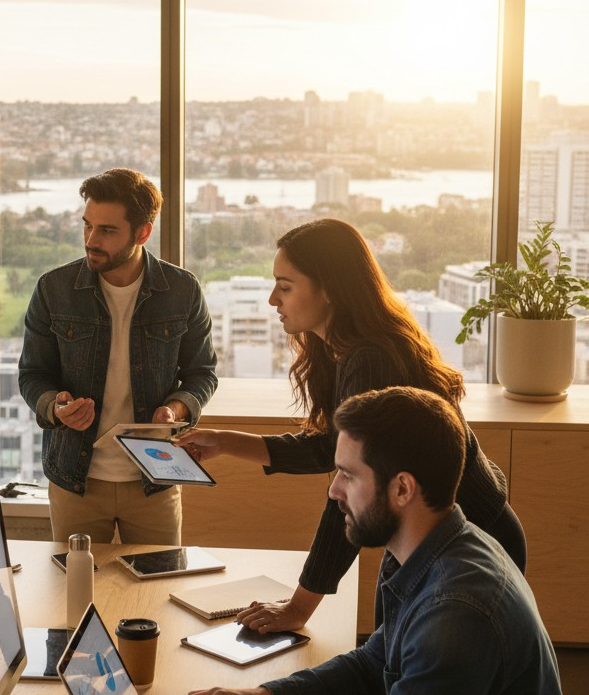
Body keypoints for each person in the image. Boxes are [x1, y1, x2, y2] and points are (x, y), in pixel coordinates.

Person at [172, 386, 588, 695]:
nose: (334, 490)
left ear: (402, 489)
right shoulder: (432, 549)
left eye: (347, 475)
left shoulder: (458, 610)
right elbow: (375, 663)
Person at [175, 217, 525, 633]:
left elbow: (349, 487)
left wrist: (299, 607)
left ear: (329, 290)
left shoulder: (370, 359)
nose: (272, 299)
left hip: (469, 545)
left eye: (285, 287)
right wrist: (227, 442)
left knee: (424, 686)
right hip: (431, 543)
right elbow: (328, 449)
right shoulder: (341, 350)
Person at [18, 168, 217, 544]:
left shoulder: (182, 290)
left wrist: (176, 409)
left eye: (107, 230)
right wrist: (56, 407)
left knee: (155, 595)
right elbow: (32, 374)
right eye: (87, 225)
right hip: (75, 481)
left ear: (143, 232)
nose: (91, 240)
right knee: (75, 596)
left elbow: (202, 373)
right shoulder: (53, 289)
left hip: (154, 479)